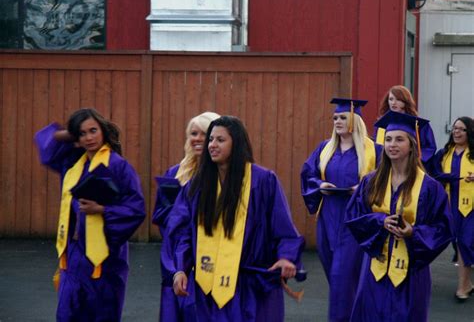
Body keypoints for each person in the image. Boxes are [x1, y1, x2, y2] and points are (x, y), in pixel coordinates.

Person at [169, 116, 305, 322]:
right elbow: (184, 232)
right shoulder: (198, 185)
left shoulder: (263, 181)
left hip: (250, 287)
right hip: (208, 285)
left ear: (237, 143)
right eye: (211, 140)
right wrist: (180, 268)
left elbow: (283, 226)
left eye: (220, 140)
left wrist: (286, 256)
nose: (212, 145)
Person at [34, 108, 146, 321]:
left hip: (105, 257)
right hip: (73, 255)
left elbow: (136, 208)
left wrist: (102, 210)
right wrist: (69, 134)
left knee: (101, 313)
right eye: (83, 133)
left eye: (93, 130)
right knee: (68, 313)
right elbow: (46, 147)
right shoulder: (73, 163)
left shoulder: (118, 166)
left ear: (102, 130)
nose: (89, 137)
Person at [345, 111, 453, 321]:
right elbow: (354, 216)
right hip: (375, 269)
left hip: (411, 272)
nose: (392, 144)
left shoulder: (430, 187)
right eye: (388, 139)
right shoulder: (371, 182)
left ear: (412, 145)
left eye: (399, 139)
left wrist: (414, 232)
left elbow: (443, 228)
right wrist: (380, 221)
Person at [300, 98, 382, 321]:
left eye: (342, 117)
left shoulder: (374, 150)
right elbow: (309, 174)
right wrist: (320, 185)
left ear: (355, 121)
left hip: (356, 220)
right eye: (335, 117)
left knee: (341, 277)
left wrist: (362, 188)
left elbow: (385, 182)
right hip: (328, 217)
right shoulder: (325, 148)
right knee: (337, 277)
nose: (337, 121)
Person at [152, 111, 220, 321]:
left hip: (209, 256)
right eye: (193, 133)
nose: (198, 139)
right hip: (175, 253)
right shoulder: (175, 173)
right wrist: (180, 212)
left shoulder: (224, 175)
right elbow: (160, 213)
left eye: (205, 134)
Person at [430, 116, 474, 302]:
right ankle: (468, 283)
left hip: (471, 207)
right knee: (458, 244)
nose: (456, 132)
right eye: (454, 128)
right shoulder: (444, 153)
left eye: (462, 129)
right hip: (451, 206)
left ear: (469, 132)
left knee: (466, 242)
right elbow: (433, 172)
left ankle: (462, 287)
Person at [374, 85, 437, 166]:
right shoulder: (382, 124)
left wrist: (415, 160)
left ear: (405, 101)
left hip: (411, 166)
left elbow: (429, 148)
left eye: (398, 99)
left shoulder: (419, 124)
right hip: (385, 166)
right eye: (391, 99)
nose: (393, 102)